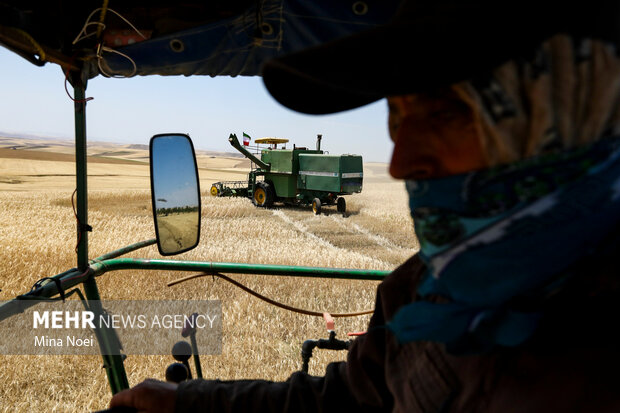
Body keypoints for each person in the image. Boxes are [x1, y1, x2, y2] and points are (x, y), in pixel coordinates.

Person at [110, 1, 620, 411]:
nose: (400, 161)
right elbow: (347, 400)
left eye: (446, 110)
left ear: (577, 111)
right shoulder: (421, 292)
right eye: (397, 115)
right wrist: (189, 403)